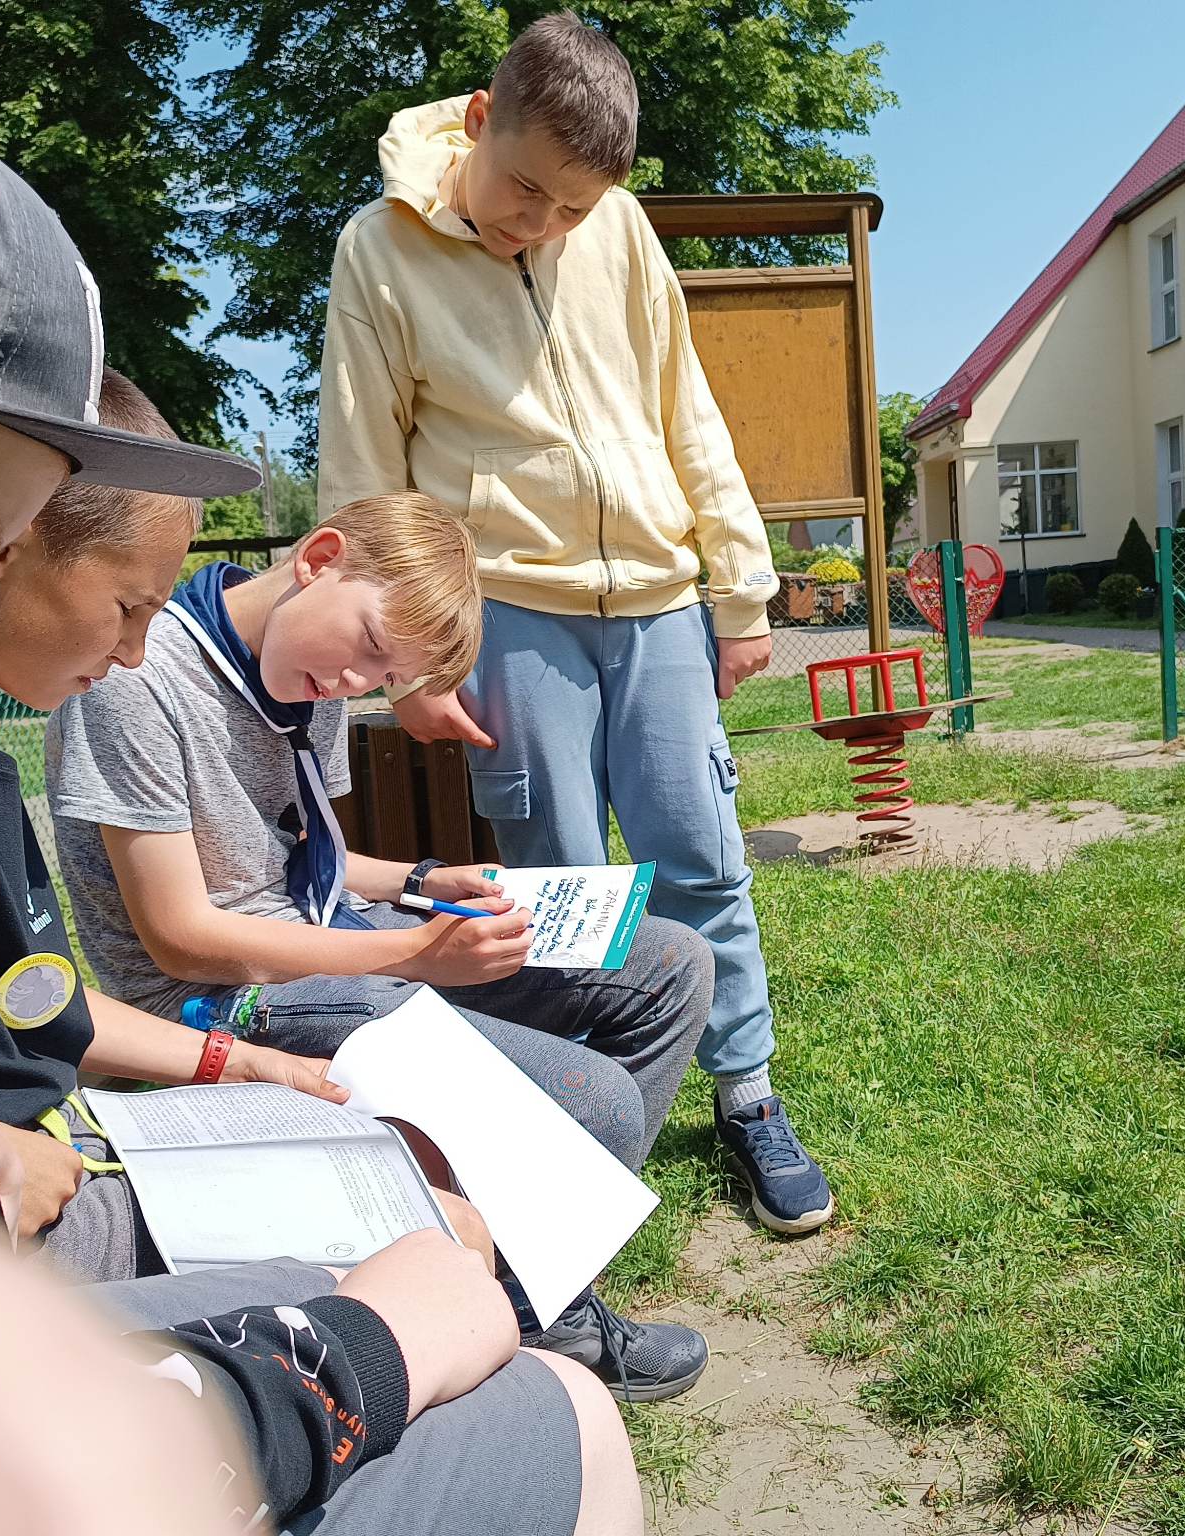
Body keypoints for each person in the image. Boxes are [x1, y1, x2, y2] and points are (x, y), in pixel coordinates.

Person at [0, 57, 638, 1533]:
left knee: (558, 1106)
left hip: (57, 1172)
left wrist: (330, 981)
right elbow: (163, 955)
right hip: (31, 1259)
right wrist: (341, 1349)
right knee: (529, 1344)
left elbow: (14, 1002)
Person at [315, 10, 833, 1234]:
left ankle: (746, 1093)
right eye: (525, 190)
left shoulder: (621, 230)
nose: (538, 224)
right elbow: (364, 472)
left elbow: (683, 406)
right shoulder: (377, 252)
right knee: (552, 883)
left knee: (699, 854)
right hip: (512, 614)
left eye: (570, 209)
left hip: (657, 600)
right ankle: (568, 1112)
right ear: (479, 120)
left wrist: (737, 587)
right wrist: (409, 663)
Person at [45, 493, 715, 1400]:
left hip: (332, 943)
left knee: (671, 967)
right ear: (320, 558)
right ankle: (532, 1311)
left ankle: (530, 1276)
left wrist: (421, 882)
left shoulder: (305, 668)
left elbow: (308, 856)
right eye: (365, 650)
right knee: (591, 1099)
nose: (353, 687)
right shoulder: (141, 681)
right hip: (217, 999)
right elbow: (182, 939)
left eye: (379, 679)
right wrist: (411, 959)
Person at [0, 367, 373, 1282]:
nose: (134, 653)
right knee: (428, 1231)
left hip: (63, 1132)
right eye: (128, 608)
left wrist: (234, 1064)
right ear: (11, 541)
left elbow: (32, 994)